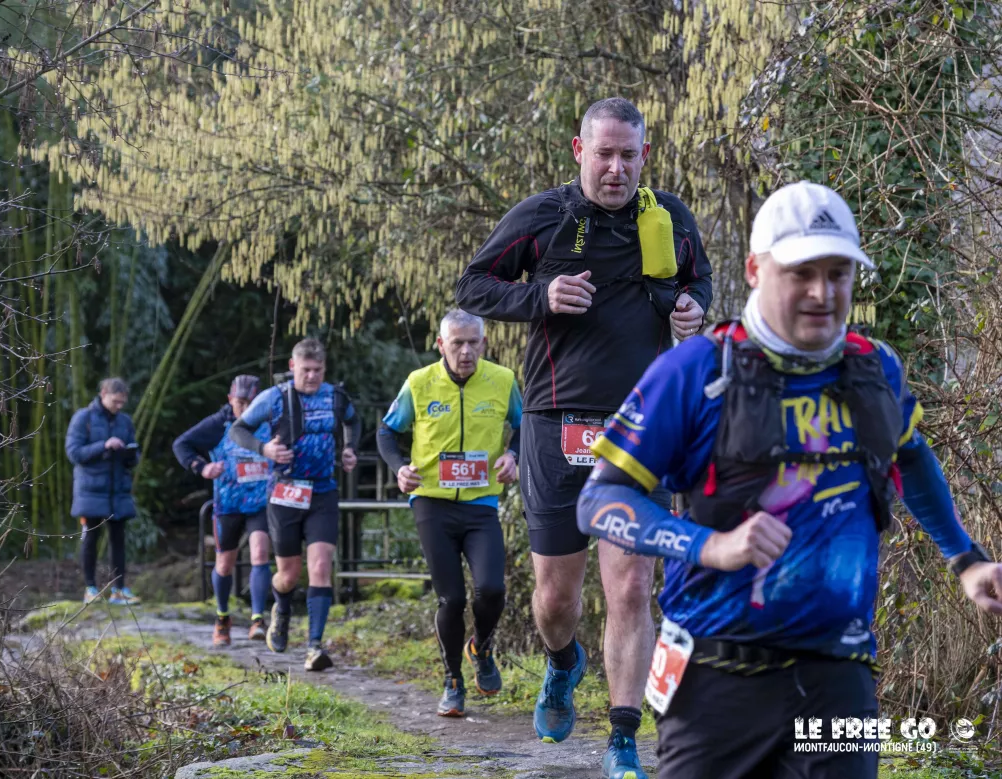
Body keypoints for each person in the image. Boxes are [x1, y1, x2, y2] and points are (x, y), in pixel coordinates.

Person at [575, 181, 1002, 778]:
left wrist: (966, 558)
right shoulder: (695, 371)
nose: (822, 293)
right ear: (755, 270)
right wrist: (711, 546)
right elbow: (599, 501)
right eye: (801, 273)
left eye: (838, 273)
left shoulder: (875, 368)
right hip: (714, 679)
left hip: (840, 674)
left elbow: (910, 455)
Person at [455, 97, 713, 777]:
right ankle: (563, 660)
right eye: (604, 154)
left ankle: (623, 737)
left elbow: (698, 281)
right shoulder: (544, 217)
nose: (616, 168)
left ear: (645, 156)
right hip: (554, 424)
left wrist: (693, 309)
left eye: (629, 155)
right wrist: (538, 298)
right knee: (556, 600)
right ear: (580, 151)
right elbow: (472, 285)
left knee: (631, 587)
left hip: (642, 428)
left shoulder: (670, 218)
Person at [376, 309, 522, 717]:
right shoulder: (419, 383)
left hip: (481, 504)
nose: (466, 351)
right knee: (451, 597)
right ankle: (452, 681)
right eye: (457, 343)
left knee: (491, 590)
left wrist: (513, 454)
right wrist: (399, 468)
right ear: (441, 345)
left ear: (484, 343)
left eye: (474, 342)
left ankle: (482, 647)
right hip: (432, 503)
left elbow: (526, 424)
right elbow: (386, 431)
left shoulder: (503, 380)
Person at [229, 338, 361, 671]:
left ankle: (315, 646)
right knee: (288, 575)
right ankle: (282, 609)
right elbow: (238, 430)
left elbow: (353, 420)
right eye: (306, 370)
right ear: (292, 367)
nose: (312, 376)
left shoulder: (335, 396)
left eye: (318, 370)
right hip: (285, 493)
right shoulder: (273, 398)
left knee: (320, 567)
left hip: (322, 492)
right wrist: (264, 449)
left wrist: (349, 449)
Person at [173, 374, 273, 646]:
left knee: (260, 554)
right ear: (230, 400)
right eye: (240, 403)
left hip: (261, 503)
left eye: (251, 403)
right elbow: (181, 444)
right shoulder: (219, 423)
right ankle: (222, 617)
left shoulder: (271, 421)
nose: (245, 408)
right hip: (228, 505)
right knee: (224, 564)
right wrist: (202, 467)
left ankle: (258, 619)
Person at [65, 377, 142, 606]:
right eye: (115, 401)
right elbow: (74, 453)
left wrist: (130, 455)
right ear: (104, 394)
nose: (119, 406)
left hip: (118, 491)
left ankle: (119, 589)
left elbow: (134, 454)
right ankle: (90, 588)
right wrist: (104, 445)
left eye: (122, 402)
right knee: (91, 538)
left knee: (118, 540)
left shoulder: (125, 421)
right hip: (90, 491)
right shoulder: (84, 418)